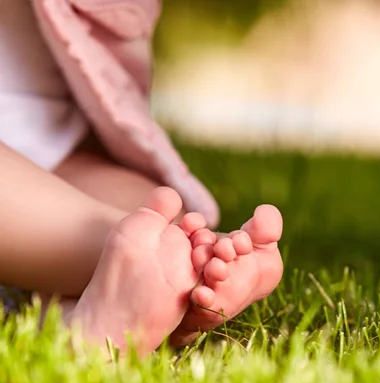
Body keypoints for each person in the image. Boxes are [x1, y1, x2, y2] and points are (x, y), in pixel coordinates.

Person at [0, 0, 284, 356]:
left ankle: (92, 310)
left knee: (141, 200)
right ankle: (162, 261)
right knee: (144, 228)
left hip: (48, 143)